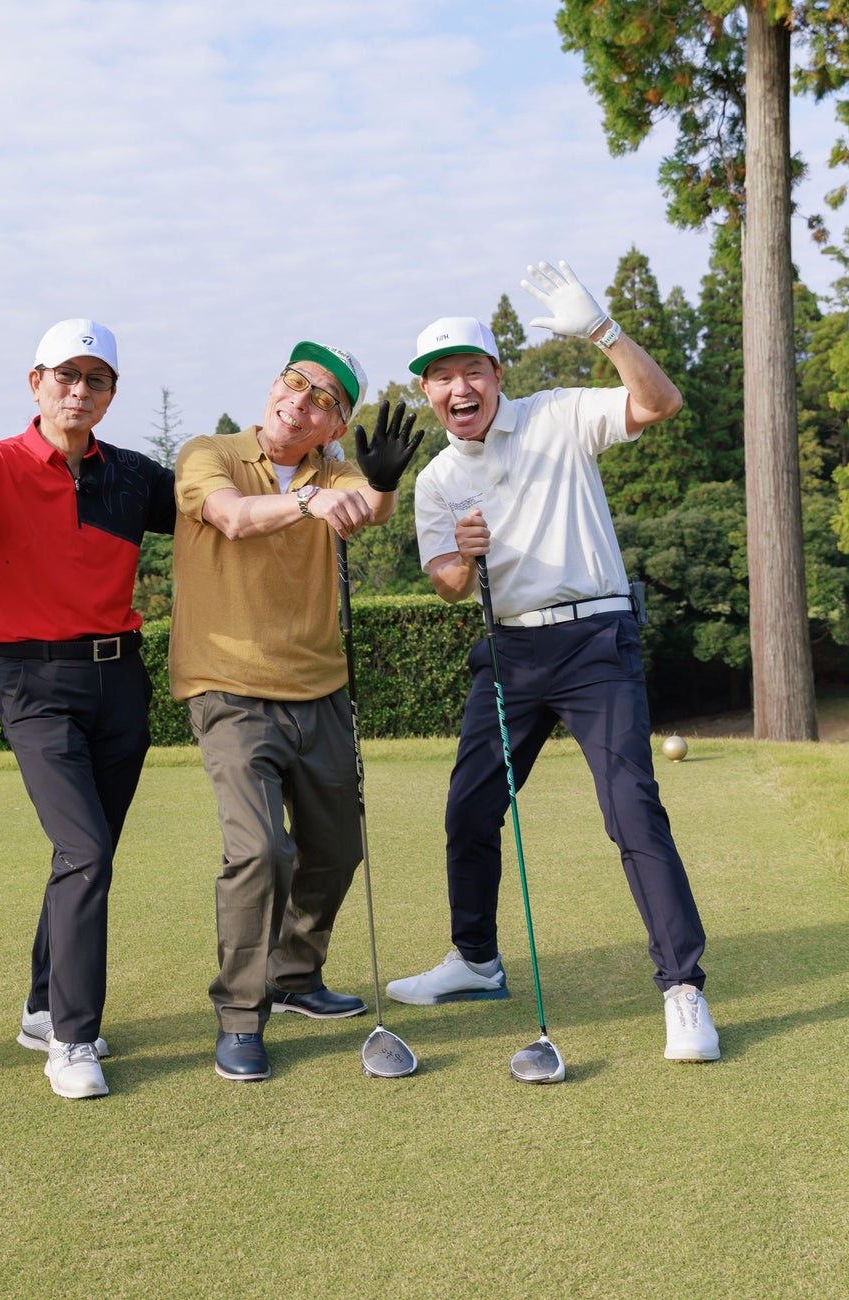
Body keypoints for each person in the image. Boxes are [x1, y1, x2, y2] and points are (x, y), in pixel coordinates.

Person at [387, 259, 720, 1063]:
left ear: (497, 376)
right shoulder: (434, 480)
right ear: (427, 395)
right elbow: (443, 583)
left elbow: (660, 403)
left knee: (631, 808)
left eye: (472, 371)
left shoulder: (557, 415)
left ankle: (683, 990)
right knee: (469, 810)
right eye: (440, 379)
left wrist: (605, 332)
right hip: (509, 649)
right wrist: (462, 561)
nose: (458, 389)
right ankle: (475, 960)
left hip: (595, 641)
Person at [0, 321, 175, 1101]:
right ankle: (73, 1036)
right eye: (65, 376)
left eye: (95, 380)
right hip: (35, 684)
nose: (78, 391)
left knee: (82, 856)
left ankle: (39, 1007)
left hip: (121, 682)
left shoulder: (131, 477)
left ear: (110, 394)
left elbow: (212, 509)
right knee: (86, 850)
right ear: (36, 383)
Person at [169, 342, 419, 1083]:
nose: (298, 401)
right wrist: (310, 500)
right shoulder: (208, 453)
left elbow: (367, 511)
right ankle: (241, 1018)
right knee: (260, 852)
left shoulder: (335, 472)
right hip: (228, 687)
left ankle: (295, 976)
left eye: (320, 400)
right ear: (275, 384)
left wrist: (381, 484)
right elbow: (235, 518)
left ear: (334, 424)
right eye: (294, 383)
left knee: (337, 847)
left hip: (319, 689)